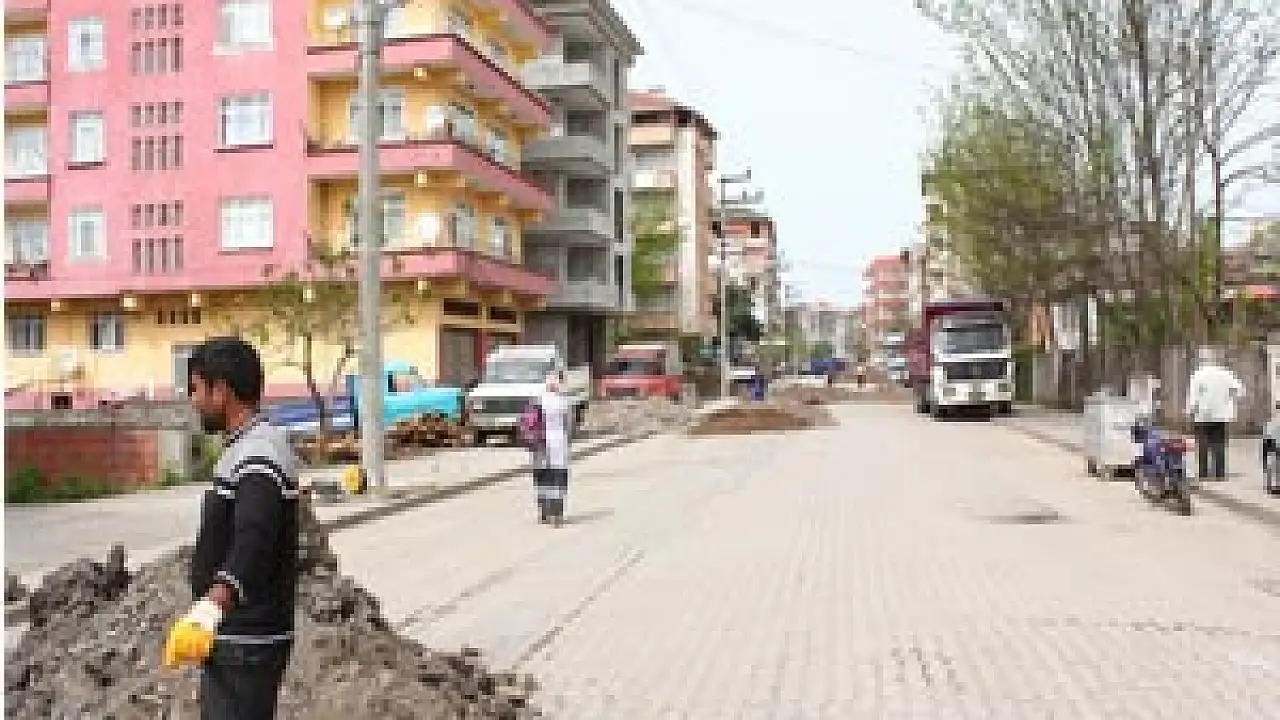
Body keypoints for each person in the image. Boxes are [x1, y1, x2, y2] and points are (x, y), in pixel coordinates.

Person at [163, 336, 300, 720]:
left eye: (196, 388)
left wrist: (212, 606)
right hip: (240, 640)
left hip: (247, 641)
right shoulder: (249, 446)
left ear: (220, 391)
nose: (193, 400)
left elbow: (255, 536)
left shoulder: (258, 452)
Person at [1185, 347, 1245, 481]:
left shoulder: (1198, 375)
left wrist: (1190, 411)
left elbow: (1193, 396)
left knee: (1203, 443)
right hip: (1222, 414)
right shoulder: (1226, 374)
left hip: (1202, 414)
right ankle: (1219, 473)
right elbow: (1240, 391)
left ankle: (1203, 472)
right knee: (1219, 443)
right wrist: (1230, 400)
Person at [531, 371, 574, 527]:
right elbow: (569, 426)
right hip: (559, 443)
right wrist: (569, 442)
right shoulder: (564, 402)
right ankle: (557, 515)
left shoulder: (538, 401)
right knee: (558, 477)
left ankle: (544, 513)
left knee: (543, 477)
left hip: (540, 444)